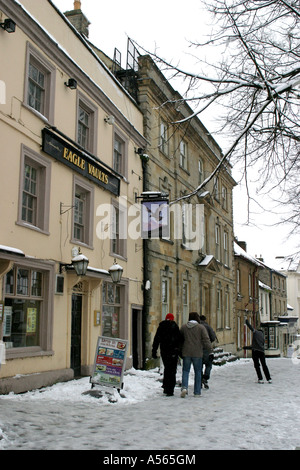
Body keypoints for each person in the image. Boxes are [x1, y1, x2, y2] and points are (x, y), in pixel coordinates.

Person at [180, 312, 213, 397]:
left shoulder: (184, 327)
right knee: (198, 372)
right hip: (197, 353)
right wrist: (210, 350)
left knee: (185, 371)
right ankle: (197, 392)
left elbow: (180, 339)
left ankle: (184, 387)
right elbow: (206, 340)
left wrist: (179, 350)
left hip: (186, 352)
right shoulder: (201, 328)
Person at [152, 313, 181, 396]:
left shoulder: (161, 326)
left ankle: (165, 386)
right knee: (172, 370)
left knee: (167, 368)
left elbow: (156, 339)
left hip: (164, 351)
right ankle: (170, 389)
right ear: (172, 319)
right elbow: (179, 339)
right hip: (173, 351)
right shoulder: (175, 326)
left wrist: (154, 350)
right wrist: (179, 350)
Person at [243, 319, 272, 384]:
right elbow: (259, 345)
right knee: (264, 365)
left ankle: (260, 378)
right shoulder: (262, 337)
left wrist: (247, 322)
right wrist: (247, 347)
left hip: (255, 352)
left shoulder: (256, 332)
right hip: (262, 352)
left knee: (257, 365)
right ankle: (269, 378)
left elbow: (251, 328)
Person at [199, 315, 217, 389]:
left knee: (199, 366)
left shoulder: (197, 327)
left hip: (199, 348)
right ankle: (206, 377)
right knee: (208, 364)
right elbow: (213, 337)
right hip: (207, 349)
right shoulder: (208, 327)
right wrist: (209, 342)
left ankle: (199, 379)